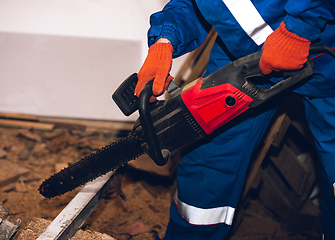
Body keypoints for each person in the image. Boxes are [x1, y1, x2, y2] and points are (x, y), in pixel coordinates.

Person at [134, 0, 335, 239]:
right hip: (242, 54)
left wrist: (299, 31)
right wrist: (165, 40)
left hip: (324, 50)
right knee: (209, 157)